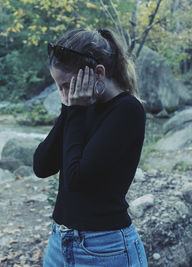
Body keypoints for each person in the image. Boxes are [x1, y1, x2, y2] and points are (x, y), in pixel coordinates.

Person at [33, 28, 148, 267]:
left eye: (67, 85)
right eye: (59, 87)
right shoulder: (80, 107)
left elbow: (77, 179)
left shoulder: (127, 111)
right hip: (59, 242)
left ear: (98, 73)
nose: (64, 94)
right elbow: (42, 166)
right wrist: (68, 110)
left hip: (106, 249)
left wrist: (74, 110)